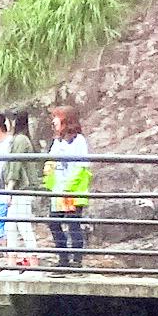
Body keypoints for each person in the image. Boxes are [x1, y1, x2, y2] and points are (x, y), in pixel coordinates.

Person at [0, 107, 46, 267]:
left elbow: (14, 167)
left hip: (19, 190)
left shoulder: (19, 141)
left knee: (23, 226)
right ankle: (13, 262)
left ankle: (33, 263)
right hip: (14, 190)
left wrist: (9, 190)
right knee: (11, 227)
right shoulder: (18, 140)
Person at [44, 102, 94, 269]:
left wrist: (70, 186)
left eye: (57, 119)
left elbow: (83, 166)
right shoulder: (57, 142)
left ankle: (76, 260)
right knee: (54, 222)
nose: (54, 122)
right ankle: (63, 257)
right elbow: (50, 160)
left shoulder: (79, 141)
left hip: (72, 190)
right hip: (58, 190)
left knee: (73, 223)